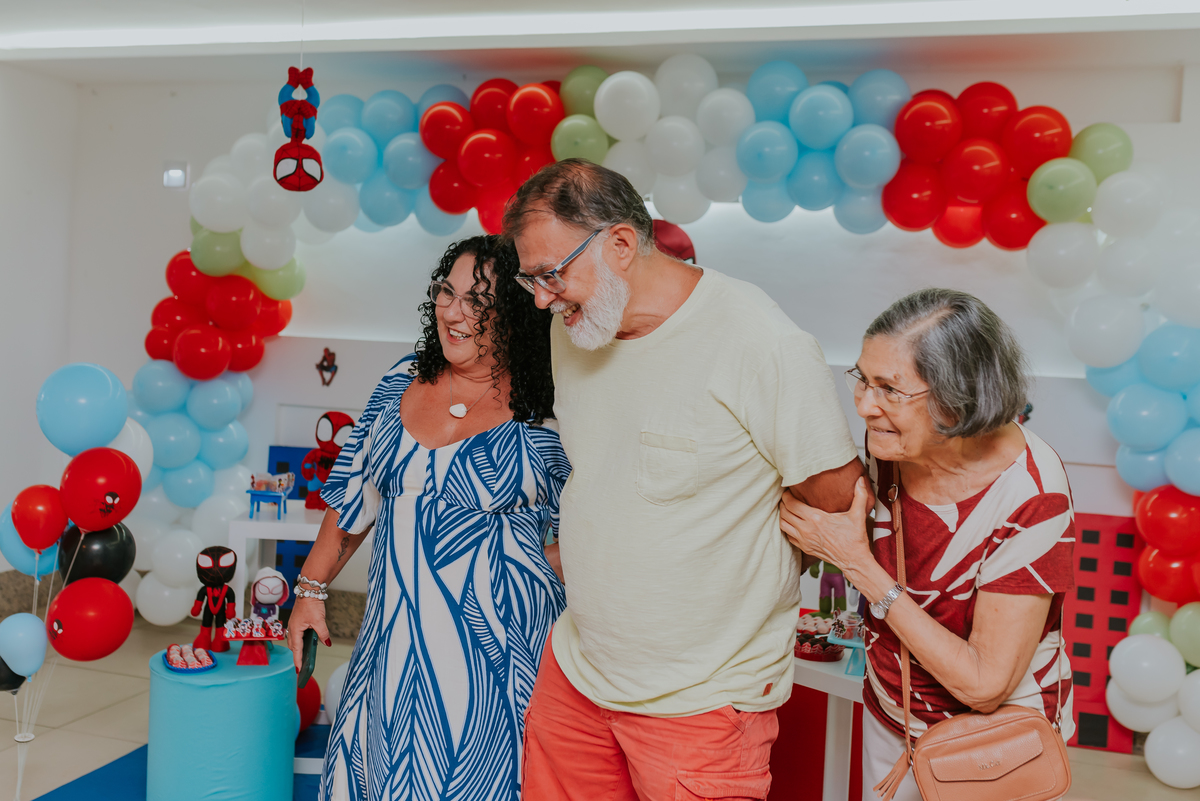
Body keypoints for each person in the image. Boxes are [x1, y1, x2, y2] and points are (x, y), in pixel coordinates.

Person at [503, 159, 862, 801]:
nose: (541, 297)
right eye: (530, 278)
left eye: (552, 274)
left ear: (619, 244)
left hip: (704, 700)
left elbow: (836, 498)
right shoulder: (578, 329)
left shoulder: (761, 342)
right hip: (578, 674)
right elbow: (609, 470)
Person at [286, 235, 569, 801]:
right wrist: (310, 589)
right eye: (447, 291)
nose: (453, 311)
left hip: (502, 653)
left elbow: (584, 528)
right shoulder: (401, 377)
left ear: (515, 314)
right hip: (394, 640)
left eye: (478, 301)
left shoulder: (553, 402)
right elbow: (353, 497)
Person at [779, 289, 1075, 801]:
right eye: (863, 380)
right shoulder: (893, 444)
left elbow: (985, 685)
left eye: (890, 389)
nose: (866, 407)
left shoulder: (1032, 494)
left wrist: (856, 563)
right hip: (895, 714)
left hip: (994, 745)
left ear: (958, 400)